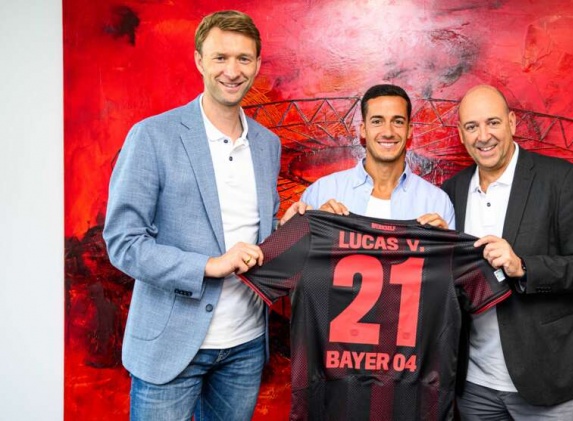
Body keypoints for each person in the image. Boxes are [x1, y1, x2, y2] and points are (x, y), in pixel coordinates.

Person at [103, 10, 279, 420]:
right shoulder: (152, 136)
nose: (232, 71)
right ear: (199, 60)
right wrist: (208, 266)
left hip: (246, 344)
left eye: (243, 58)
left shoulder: (268, 144)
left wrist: (291, 224)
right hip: (171, 343)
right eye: (220, 57)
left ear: (257, 64)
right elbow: (124, 243)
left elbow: (260, 234)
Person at [441, 85, 573, 420]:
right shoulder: (452, 191)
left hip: (548, 378)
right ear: (460, 134)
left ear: (512, 122)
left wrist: (523, 267)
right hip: (474, 385)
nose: (483, 136)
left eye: (493, 123)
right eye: (472, 127)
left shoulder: (561, 179)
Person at [282, 84, 455, 229]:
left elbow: (448, 260)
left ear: (409, 130)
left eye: (398, 122)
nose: (388, 132)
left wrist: (445, 246)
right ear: (363, 130)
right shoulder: (322, 192)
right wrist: (301, 228)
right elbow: (289, 253)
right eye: (377, 121)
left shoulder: (437, 202)